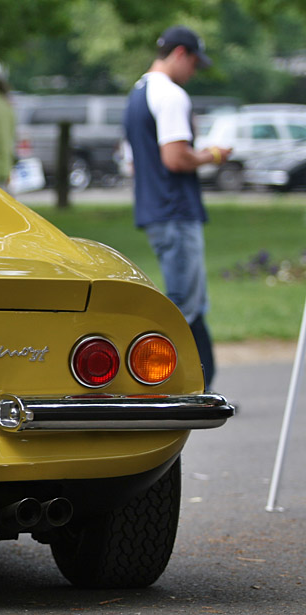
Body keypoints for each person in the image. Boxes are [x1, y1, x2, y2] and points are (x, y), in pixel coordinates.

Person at [123, 25, 232, 390]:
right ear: (181, 54)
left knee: (190, 302)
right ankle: (170, 384)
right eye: (195, 64)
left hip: (155, 209)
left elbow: (137, 162)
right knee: (183, 306)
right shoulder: (171, 96)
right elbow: (175, 158)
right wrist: (213, 155)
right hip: (176, 209)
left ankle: (204, 384)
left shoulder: (138, 93)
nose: (195, 73)